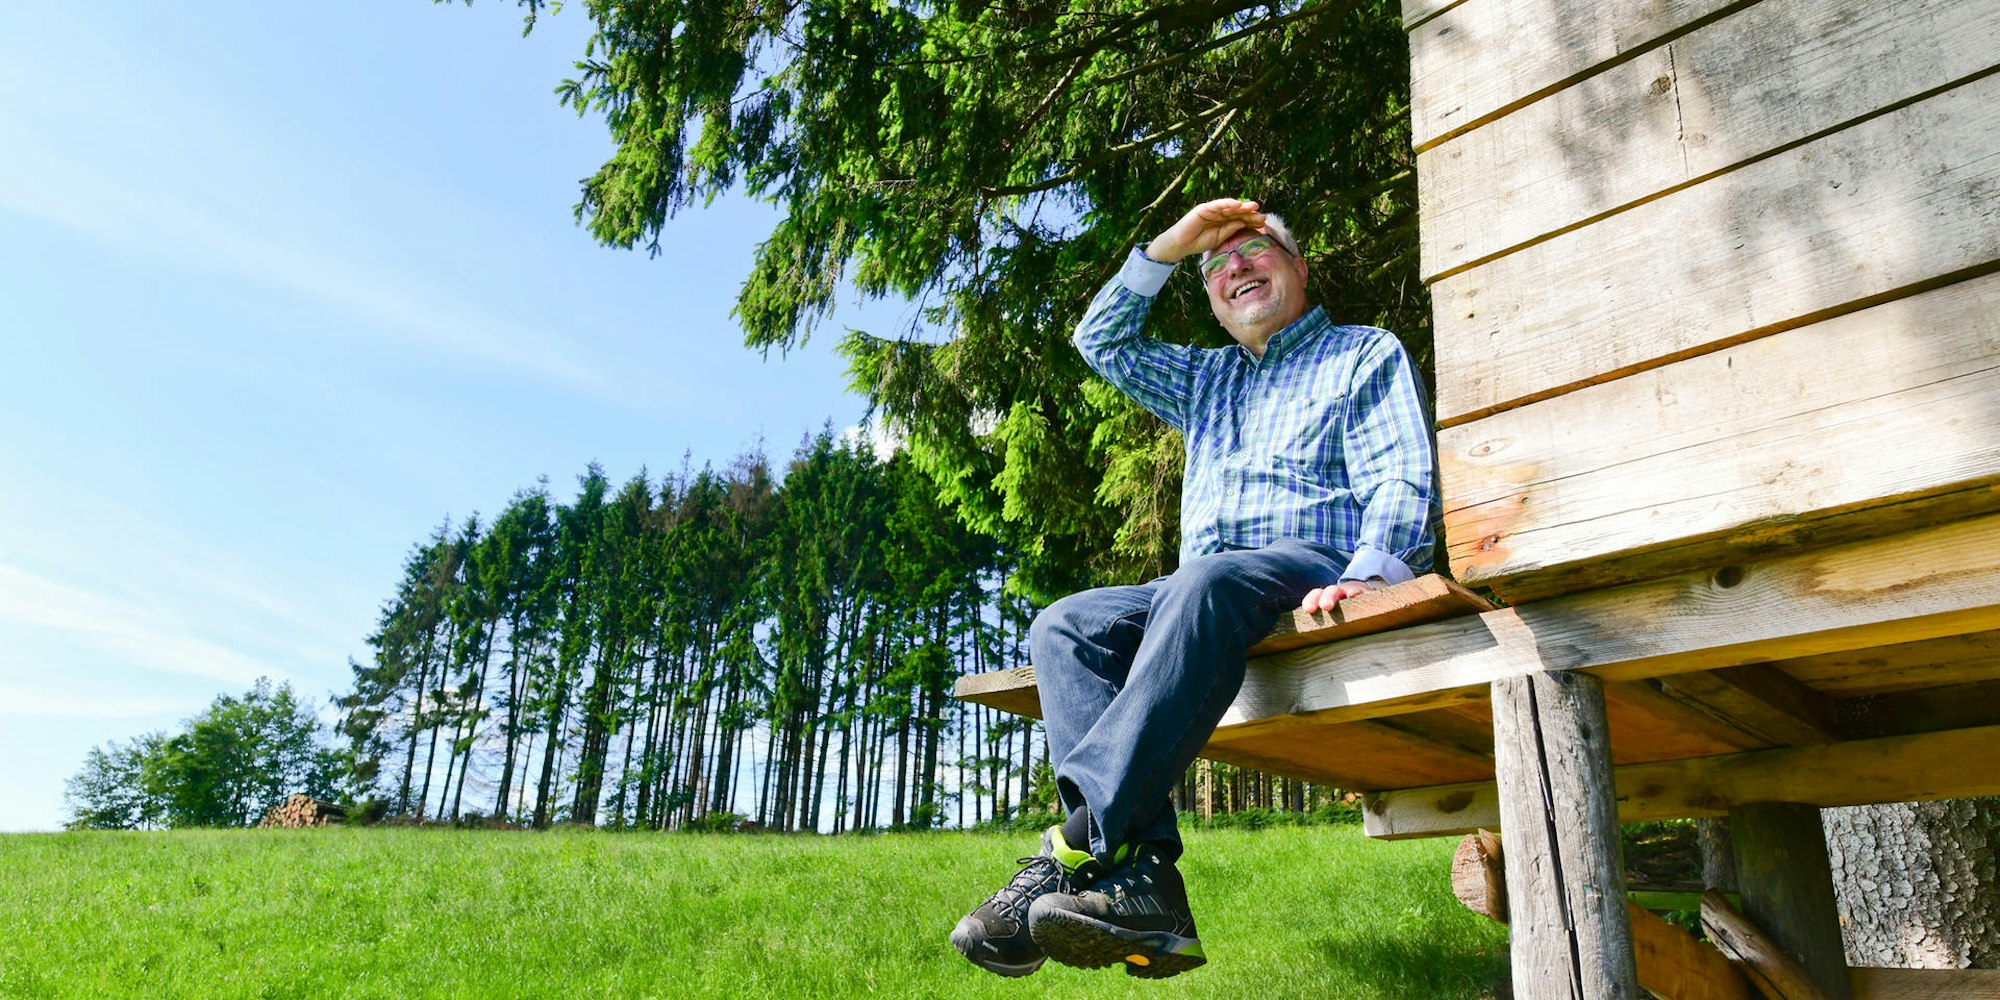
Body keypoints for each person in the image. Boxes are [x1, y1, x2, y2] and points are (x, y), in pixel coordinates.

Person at [949, 198, 1439, 979]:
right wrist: (1170, 246)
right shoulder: (1204, 380)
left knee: (1202, 579)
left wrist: (1368, 577)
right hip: (1199, 592)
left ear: (1299, 268)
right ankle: (1148, 886)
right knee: (1066, 625)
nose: (1232, 268)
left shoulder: (1359, 353)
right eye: (1215, 267)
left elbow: (1401, 475)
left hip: (1309, 565)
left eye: (1251, 251)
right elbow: (1099, 339)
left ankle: (1069, 849)